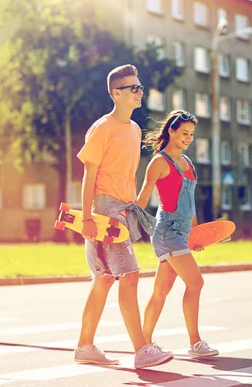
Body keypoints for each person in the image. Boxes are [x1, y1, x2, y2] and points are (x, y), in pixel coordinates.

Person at [74, 64, 173, 369]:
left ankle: (85, 346)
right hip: (105, 209)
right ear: (116, 93)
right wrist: (89, 218)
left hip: (124, 208)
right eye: (134, 88)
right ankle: (142, 349)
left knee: (103, 279)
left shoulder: (133, 129)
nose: (139, 92)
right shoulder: (102, 128)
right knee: (128, 276)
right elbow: (89, 175)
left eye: (140, 87)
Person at [136, 110, 219, 358]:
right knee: (196, 282)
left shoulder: (188, 163)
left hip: (183, 232)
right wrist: (127, 224)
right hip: (166, 232)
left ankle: (144, 342)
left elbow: (190, 201)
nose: (188, 138)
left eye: (191, 134)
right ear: (171, 131)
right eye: (184, 133)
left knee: (161, 290)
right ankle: (195, 342)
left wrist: (196, 234)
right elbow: (142, 198)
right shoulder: (159, 162)